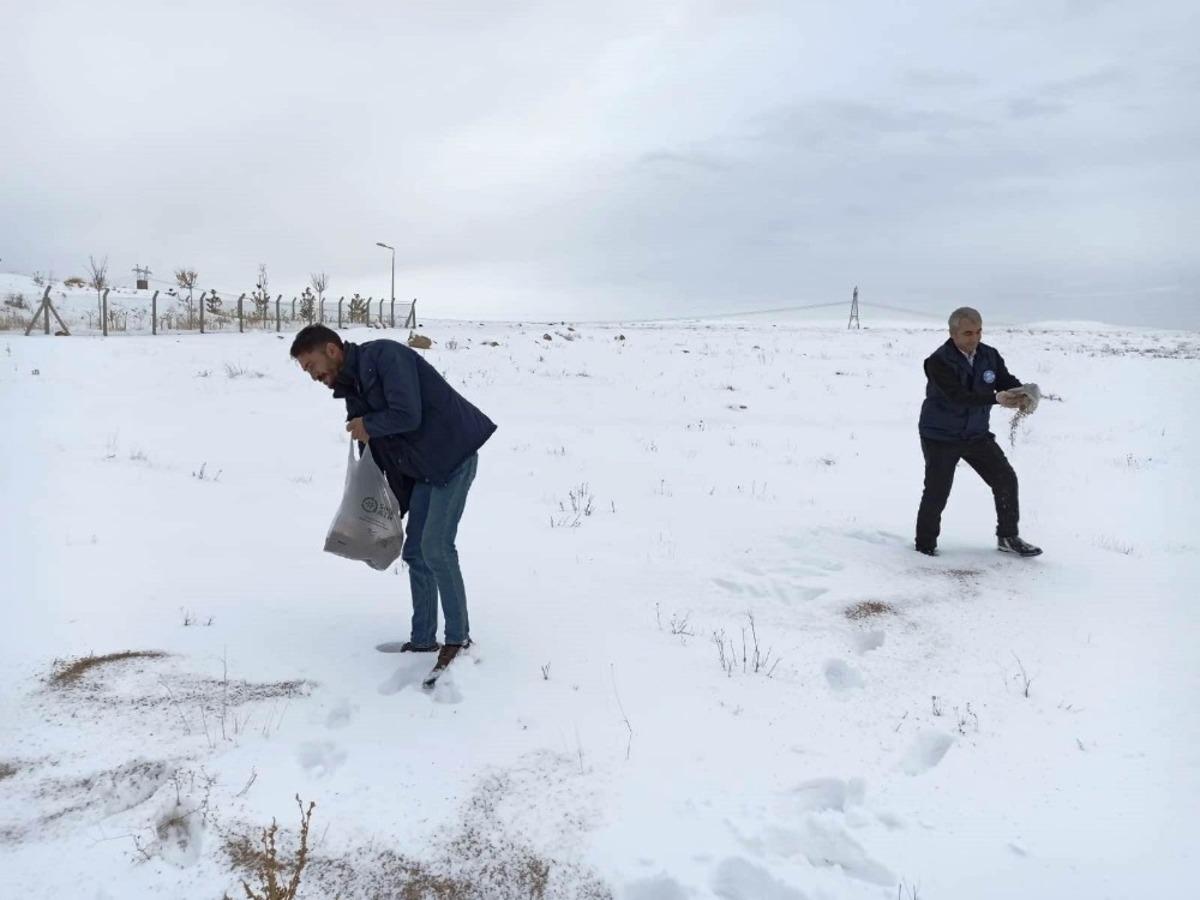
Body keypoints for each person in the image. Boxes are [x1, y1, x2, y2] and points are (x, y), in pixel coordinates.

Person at [291, 324, 497, 674]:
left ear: (331, 350)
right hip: (423, 468)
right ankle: (423, 640)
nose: (313, 376)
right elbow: (380, 453)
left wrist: (369, 426)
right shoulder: (352, 390)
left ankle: (458, 639)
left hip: (453, 455)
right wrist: (386, 508)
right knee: (415, 551)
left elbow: (407, 414)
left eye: (312, 366)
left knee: (436, 547)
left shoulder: (386, 355)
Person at [915, 307, 1042, 558]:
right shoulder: (937, 361)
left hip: (975, 434)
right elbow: (958, 396)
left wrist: (1024, 392)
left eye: (978, 331)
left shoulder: (989, 355)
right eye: (968, 333)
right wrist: (996, 398)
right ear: (953, 333)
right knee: (937, 490)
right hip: (941, 435)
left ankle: (1008, 537)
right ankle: (924, 546)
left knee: (1005, 478)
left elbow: (1005, 381)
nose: (975, 338)